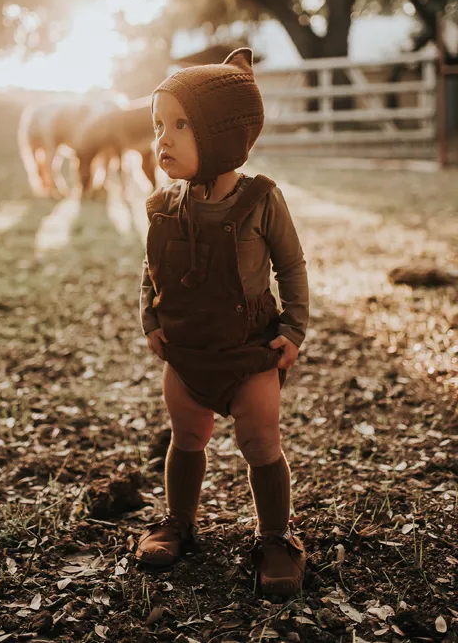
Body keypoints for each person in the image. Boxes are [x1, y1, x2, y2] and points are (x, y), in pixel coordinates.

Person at [136, 48, 309, 597]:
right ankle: (179, 522)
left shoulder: (260, 199)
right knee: (186, 436)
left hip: (248, 348)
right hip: (187, 350)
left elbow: (291, 265)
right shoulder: (165, 204)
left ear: (223, 133)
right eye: (158, 124)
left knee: (259, 440)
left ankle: (276, 538)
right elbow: (152, 265)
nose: (164, 138)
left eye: (181, 124)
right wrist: (151, 317)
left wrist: (294, 328)